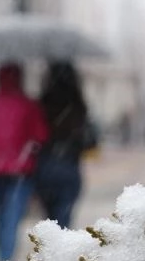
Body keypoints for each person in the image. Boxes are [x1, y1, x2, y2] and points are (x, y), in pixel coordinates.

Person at [0, 63, 48, 261]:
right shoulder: (28, 105)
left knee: (0, 217)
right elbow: (41, 135)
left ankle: (2, 258)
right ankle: (6, 260)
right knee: (12, 217)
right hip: (20, 170)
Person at [35, 61, 98, 229]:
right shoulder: (78, 105)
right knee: (64, 221)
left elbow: (36, 138)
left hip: (45, 169)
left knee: (49, 223)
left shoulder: (43, 103)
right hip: (69, 168)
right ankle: (60, 244)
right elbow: (90, 142)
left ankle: (51, 244)